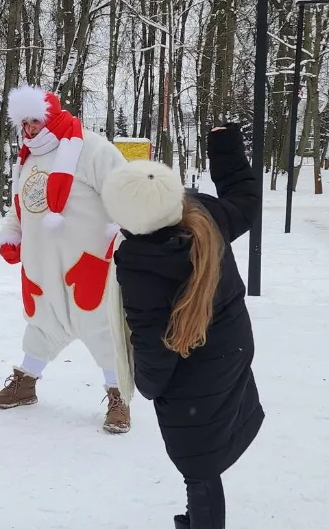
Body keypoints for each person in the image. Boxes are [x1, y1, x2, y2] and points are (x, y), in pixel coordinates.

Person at [101, 124, 263, 529]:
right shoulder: (200, 213)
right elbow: (245, 200)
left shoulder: (140, 268)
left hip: (189, 376)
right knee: (208, 452)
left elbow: (153, 347)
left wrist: (148, 387)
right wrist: (225, 145)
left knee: (197, 464)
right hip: (230, 349)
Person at [0, 85, 132, 434]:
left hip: (87, 261)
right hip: (43, 264)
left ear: (50, 116)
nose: (30, 128)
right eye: (24, 123)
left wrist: (128, 238)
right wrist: (11, 234)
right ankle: (25, 382)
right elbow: (22, 207)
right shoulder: (28, 158)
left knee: (101, 326)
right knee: (42, 322)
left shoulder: (91, 148)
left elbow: (126, 191)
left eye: (36, 120)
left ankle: (119, 396)